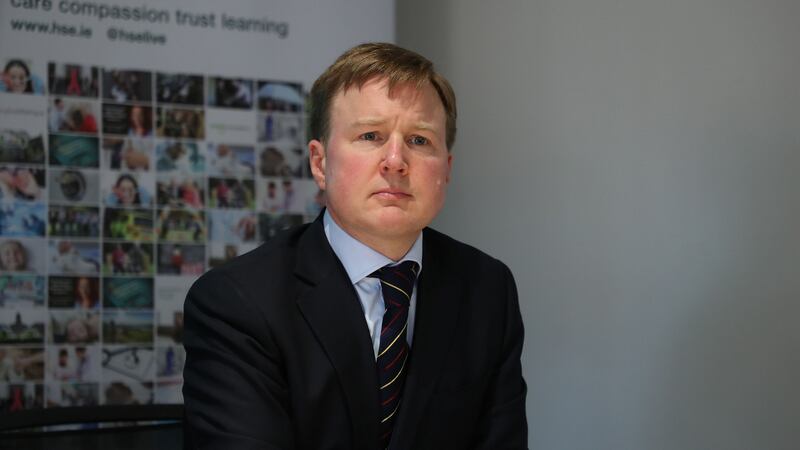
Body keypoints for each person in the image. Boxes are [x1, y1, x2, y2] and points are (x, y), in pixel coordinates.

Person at [183, 43, 528, 449]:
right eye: (370, 135)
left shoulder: (487, 288)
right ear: (319, 163)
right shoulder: (237, 303)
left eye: (419, 140)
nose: (396, 161)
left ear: (446, 170)